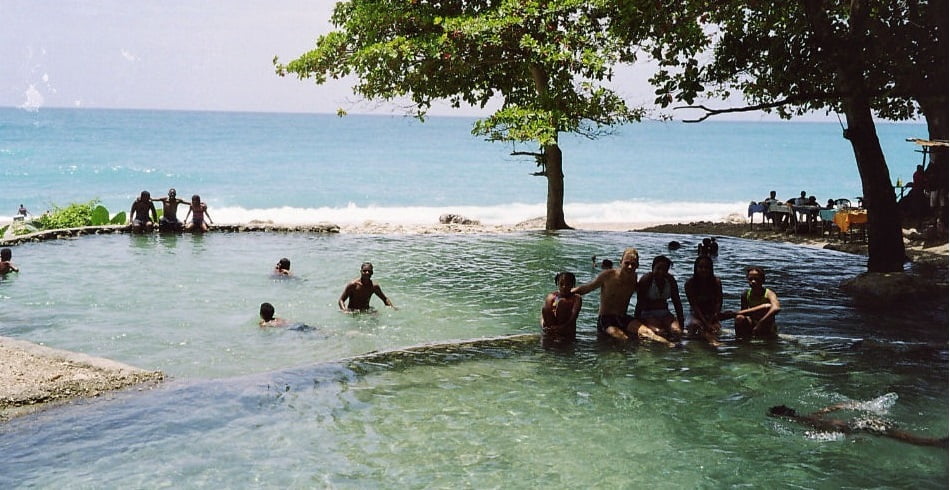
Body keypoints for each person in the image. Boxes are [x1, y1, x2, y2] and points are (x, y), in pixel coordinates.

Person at [768, 402, 948, 448]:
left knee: (908, 439)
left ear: (784, 417)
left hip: (862, 426)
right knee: (904, 436)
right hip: (863, 422)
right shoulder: (812, 415)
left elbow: (834, 431)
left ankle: (939, 443)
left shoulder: (806, 422)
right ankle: (939, 442)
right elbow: (835, 407)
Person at [572, 248, 643, 342]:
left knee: (648, 333)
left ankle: (664, 346)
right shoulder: (608, 275)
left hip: (623, 317)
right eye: (627, 263)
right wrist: (564, 293)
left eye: (633, 264)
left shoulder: (634, 278)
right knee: (624, 339)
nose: (630, 267)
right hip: (605, 319)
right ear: (620, 262)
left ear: (637, 265)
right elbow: (588, 287)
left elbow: (643, 294)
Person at [633, 255, 684, 346]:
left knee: (677, 331)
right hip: (647, 314)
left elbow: (677, 302)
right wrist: (637, 324)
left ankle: (677, 350)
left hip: (665, 313)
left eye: (664, 269)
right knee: (660, 332)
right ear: (653, 268)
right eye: (658, 268)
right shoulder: (646, 280)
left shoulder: (670, 280)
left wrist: (681, 322)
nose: (661, 272)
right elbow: (639, 304)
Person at [728, 266, 781, 339]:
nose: (753, 281)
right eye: (750, 279)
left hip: (766, 323)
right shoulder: (745, 294)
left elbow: (776, 308)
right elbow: (744, 313)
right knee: (739, 317)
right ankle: (740, 340)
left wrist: (761, 322)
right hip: (753, 322)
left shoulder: (769, 293)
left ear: (763, 280)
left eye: (756, 279)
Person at [684, 256, 723, 347]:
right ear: (696, 268)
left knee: (715, 329)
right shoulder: (690, 283)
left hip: (712, 314)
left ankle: (711, 339)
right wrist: (706, 323)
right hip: (695, 314)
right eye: (700, 267)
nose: (703, 270)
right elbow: (694, 305)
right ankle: (711, 341)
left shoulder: (716, 282)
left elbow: (719, 302)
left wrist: (714, 318)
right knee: (696, 325)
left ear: (711, 269)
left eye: (706, 267)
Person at [540, 271, 583, 343]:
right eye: (561, 284)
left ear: (572, 285)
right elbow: (543, 314)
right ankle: (552, 335)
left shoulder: (576, 298)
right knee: (545, 308)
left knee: (562, 303)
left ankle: (559, 335)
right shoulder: (552, 296)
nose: (564, 287)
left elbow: (574, 315)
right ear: (557, 284)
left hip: (567, 330)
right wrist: (544, 327)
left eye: (567, 284)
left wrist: (562, 327)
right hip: (552, 328)